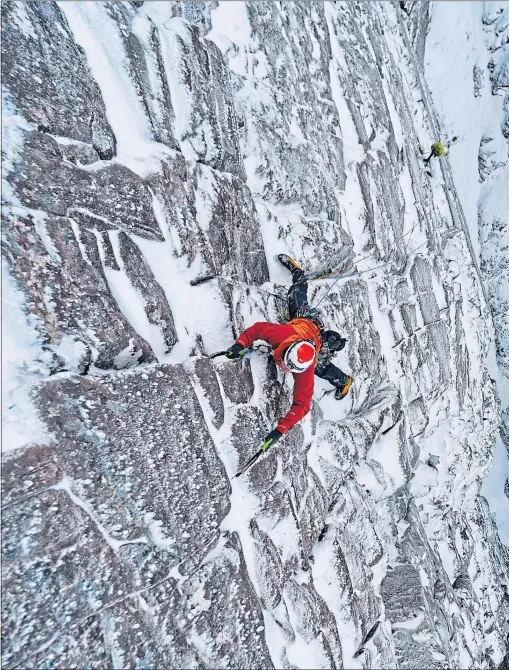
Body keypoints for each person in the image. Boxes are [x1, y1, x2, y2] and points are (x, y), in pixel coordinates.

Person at [226, 254, 353, 448]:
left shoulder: (308, 367)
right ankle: (297, 271)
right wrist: (240, 344)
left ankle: (344, 380)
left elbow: (302, 405)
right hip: (303, 322)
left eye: (289, 367)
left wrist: (280, 430)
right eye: (286, 363)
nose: (284, 367)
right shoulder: (283, 334)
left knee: (323, 367)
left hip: (315, 338)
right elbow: (257, 330)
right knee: (296, 291)